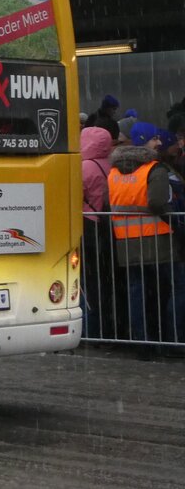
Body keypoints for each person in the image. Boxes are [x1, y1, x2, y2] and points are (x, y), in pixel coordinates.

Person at [108, 123, 185, 343]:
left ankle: (142, 341)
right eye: (154, 139)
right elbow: (158, 202)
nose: (159, 143)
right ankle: (175, 340)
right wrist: (176, 223)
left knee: (138, 292)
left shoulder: (114, 171)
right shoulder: (155, 169)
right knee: (177, 287)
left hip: (127, 243)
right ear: (144, 141)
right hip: (158, 240)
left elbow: (110, 202)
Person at [81, 127, 122, 339]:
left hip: (88, 225)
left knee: (89, 281)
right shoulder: (111, 165)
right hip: (108, 225)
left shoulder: (85, 166)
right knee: (106, 280)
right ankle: (109, 328)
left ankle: (92, 329)